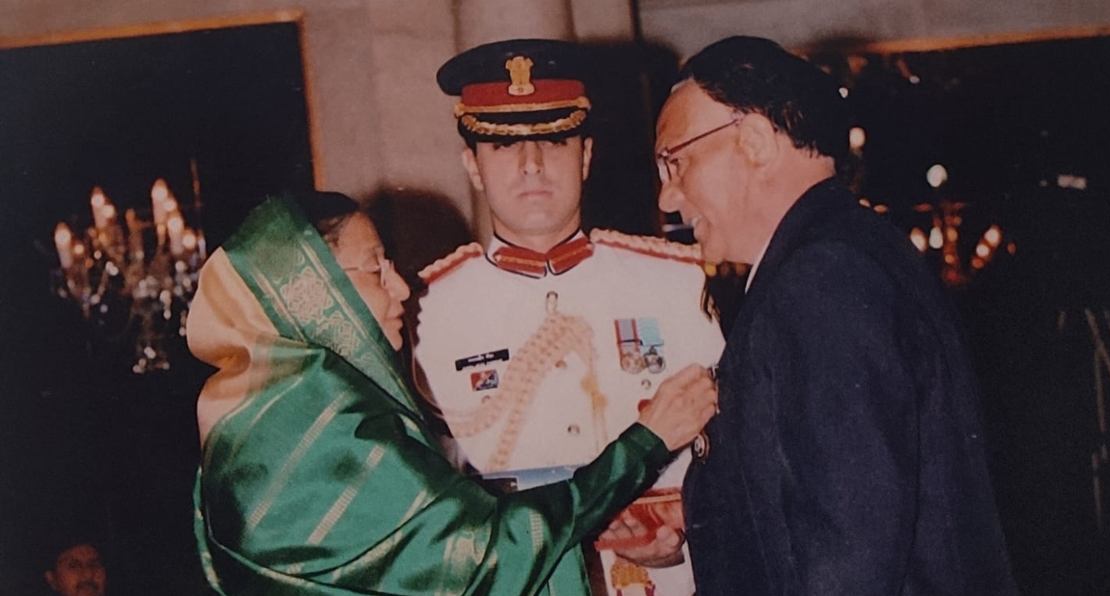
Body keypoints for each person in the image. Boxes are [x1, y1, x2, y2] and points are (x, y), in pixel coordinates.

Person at [188, 191, 716, 595]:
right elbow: (482, 558)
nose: (400, 289)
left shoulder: (269, 411)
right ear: (313, 292)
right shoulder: (323, 424)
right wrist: (644, 443)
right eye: (376, 269)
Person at [653, 36, 1018, 594]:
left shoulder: (818, 278)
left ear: (752, 140)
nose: (668, 199)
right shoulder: (843, 253)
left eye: (674, 162)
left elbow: (850, 555)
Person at [415, 39, 724, 595]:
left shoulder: (677, 285)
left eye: (554, 141)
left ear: (585, 155)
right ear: (473, 166)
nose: (531, 165)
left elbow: (735, 461)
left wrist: (679, 543)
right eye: (505, 147)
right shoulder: (430, 312)